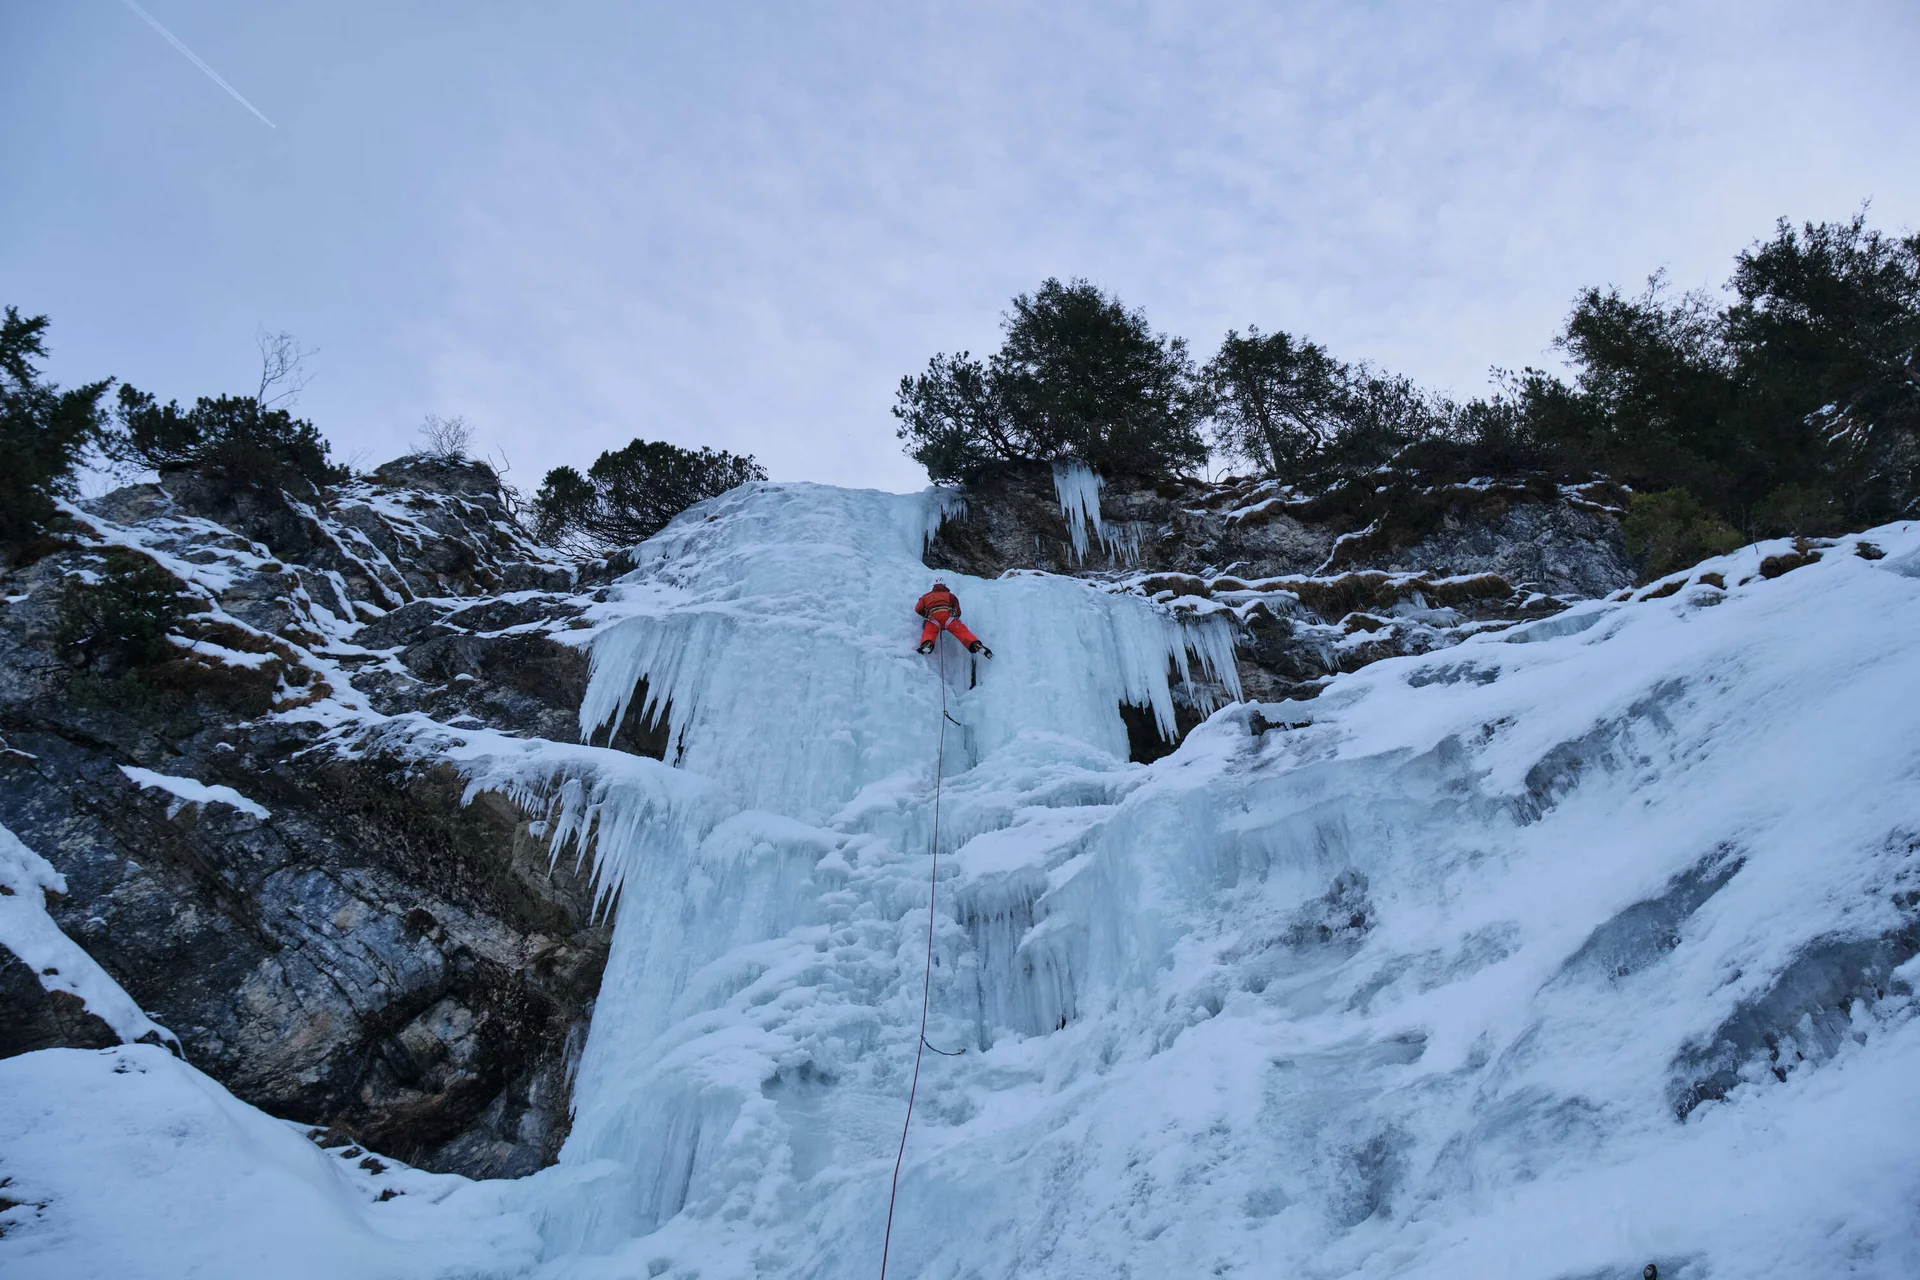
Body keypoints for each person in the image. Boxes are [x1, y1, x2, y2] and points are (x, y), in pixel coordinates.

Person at [915, 581, 991, 658]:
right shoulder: (950, 595)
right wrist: (955, 616)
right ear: (944, 585)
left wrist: (927, 615)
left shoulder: (925, 596)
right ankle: (975, 644)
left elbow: (918, 609)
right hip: (947, 617)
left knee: (929, 632)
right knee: (962, 631)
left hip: (933, 617)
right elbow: (957, 610)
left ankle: (927, 644)